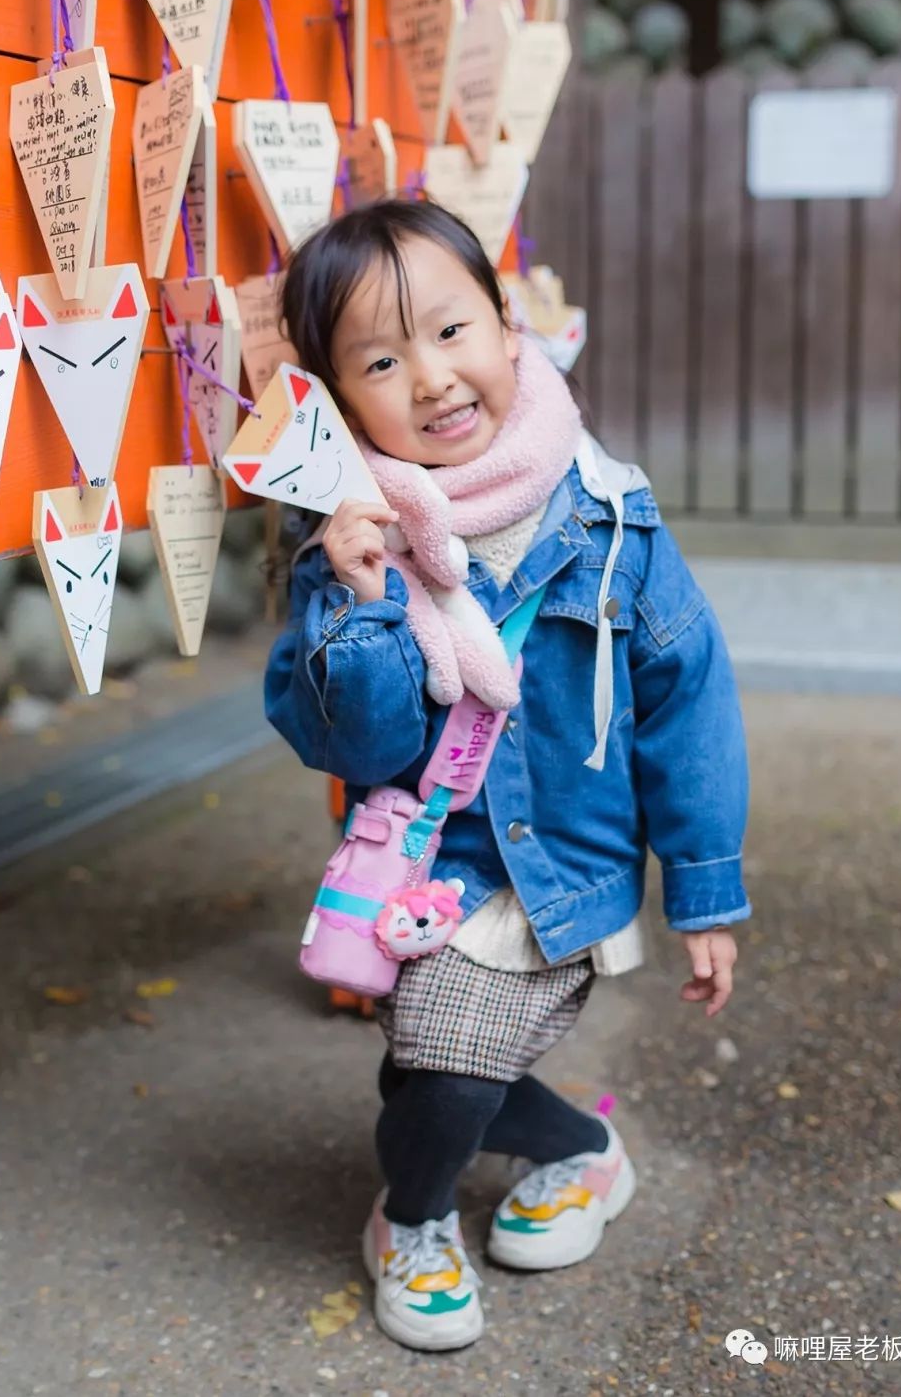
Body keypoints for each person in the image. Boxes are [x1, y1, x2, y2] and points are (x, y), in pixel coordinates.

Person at [265, 199, 750, 1352]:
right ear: (340, 400)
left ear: (508, 325)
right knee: (437, 1067)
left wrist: (706, 888)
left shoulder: (611, 515)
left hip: (566, 864)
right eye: (381, 359)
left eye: (449, 332)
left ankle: (422, 1204)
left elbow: (689, 698)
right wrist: (371, 597)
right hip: (435, 866)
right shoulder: (352, 542)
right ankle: (533, 1169)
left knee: (436, 1069)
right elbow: (350, 745)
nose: (430, 378)